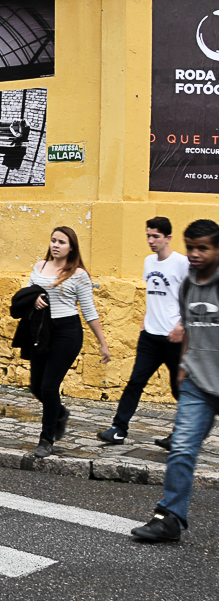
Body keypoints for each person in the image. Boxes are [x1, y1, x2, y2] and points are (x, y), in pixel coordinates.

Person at [131, 219, 219, 543]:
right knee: (181, 449)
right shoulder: (189, 283)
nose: (194, 254)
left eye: (203, 248)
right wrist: (182, 366)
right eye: (190, 247)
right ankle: (169, 518)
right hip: (198, 381)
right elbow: (189, 328)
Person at [98, 217, 189, 446]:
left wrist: (182, 326)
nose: (151, 241)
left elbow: (192, 297)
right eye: (148, 235)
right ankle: (118, 429)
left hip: (174, 337)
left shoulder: (182, 263)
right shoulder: (149, 262)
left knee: (179, 387)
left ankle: (181, 435)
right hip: (150, 336)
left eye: (156, 236)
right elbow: (153, 295)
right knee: (135, 382)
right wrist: (144, 323)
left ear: (168, 238)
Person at [26, 226, 111, 458]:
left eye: (61, 242)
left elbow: (89, 311)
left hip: (67, 332)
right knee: (35, 386)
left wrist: (103, 343)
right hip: (41, 331)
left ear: (71, 247)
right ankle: (61, 413)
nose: (55, 245)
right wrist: (33, 299)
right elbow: (26, 293)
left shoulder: (78, 274)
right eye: (53, 240)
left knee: (49, 387)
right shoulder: (40, 266)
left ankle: (46, 439)